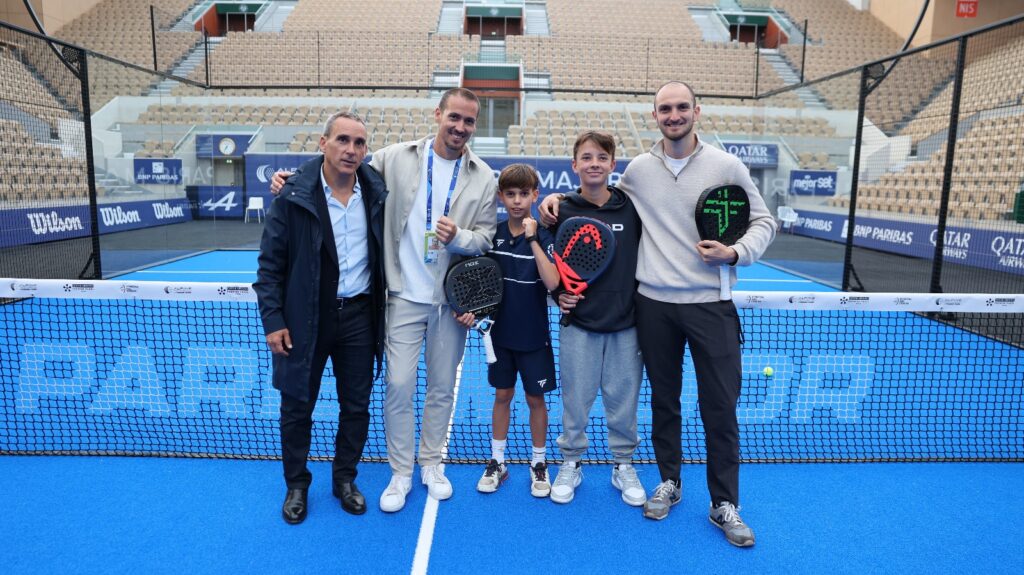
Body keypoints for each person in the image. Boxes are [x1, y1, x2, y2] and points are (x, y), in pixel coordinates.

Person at [539, 82, 776, 547]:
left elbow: (765, 220)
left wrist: (735, 251)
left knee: (719, 408)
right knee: (664, 403)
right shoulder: (640, 171)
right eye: (665, 109)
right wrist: (554, 202)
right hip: (654, 308)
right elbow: (595, 193)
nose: (674, 115)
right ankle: (669, 482)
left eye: (681, 107)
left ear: (696, 111)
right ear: (654, 116)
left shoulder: (725, 165)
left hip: (710, 305)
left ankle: (725, 503)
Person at [271, 88, 497, 512]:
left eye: (469, 121)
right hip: (400, 298)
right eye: (455, 117)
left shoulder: (484, 176)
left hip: (448, 303)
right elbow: (337, 169)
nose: (460, 127)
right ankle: (401, 471)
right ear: (438, 114)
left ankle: (431, 463)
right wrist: (292, 179)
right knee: (397, 385)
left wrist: (460, 238)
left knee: (442, 389)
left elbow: (486, 237)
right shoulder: (394, 158)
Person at [253, 111, 387, 525]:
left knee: (357, 407)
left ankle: (344, 479)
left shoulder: (378, 191)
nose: (351, 150)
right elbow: (269, 266)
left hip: (361, 317)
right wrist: (274, 319)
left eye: (359, 143)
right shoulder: (293, 195)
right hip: (305, 320)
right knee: (297, 407)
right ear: (323, 143)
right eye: (343, 140)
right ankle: (297, 485)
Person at [546, 131, 647, 508]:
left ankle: (623, 465)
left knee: (624, 401)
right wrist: (558, 296)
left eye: (601, 157)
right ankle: (571, 462)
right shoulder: (560, 210)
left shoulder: (631, 208)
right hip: (580, 325)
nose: (594, 164)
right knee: (576, 400)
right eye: (586, 157)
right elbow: (549, 265)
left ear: (612, 165)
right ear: (574, 165)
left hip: (627, 323)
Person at [470, 163, 560, 497]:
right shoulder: (491, 236)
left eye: (524, 194)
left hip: (534, 336)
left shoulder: (546, 237)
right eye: (510, 194)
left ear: (535, 195)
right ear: (501, 197)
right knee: (502, 395)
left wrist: (533, 237)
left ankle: (539, 463)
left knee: (535, 398)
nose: (517, 201)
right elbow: (476, 281)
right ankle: (498, 461)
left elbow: (552, 282)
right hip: (499, 336)